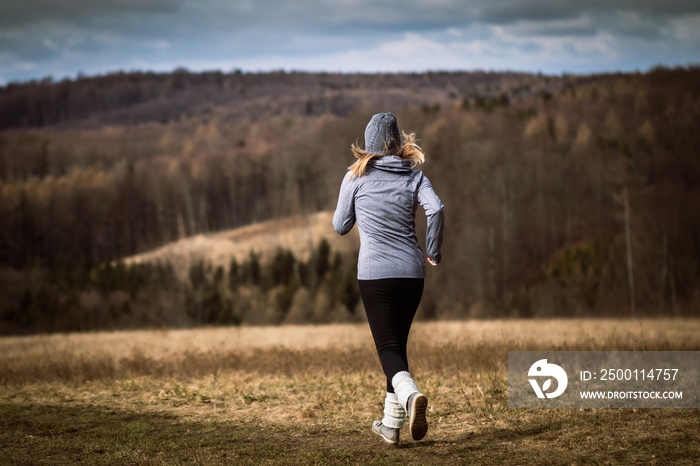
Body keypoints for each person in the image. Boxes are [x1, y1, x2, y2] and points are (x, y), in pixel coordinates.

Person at [332, 112, 444, 445]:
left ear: (368, 145)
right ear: (398, 143)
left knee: (387, 348)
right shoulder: (415, 176)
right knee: (396, 346)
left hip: (375, 274)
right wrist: (434, 252)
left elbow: (340, 226)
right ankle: (391, 427)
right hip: (412, 273)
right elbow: (436, 209)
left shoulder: (355, 176)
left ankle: (410, 398)